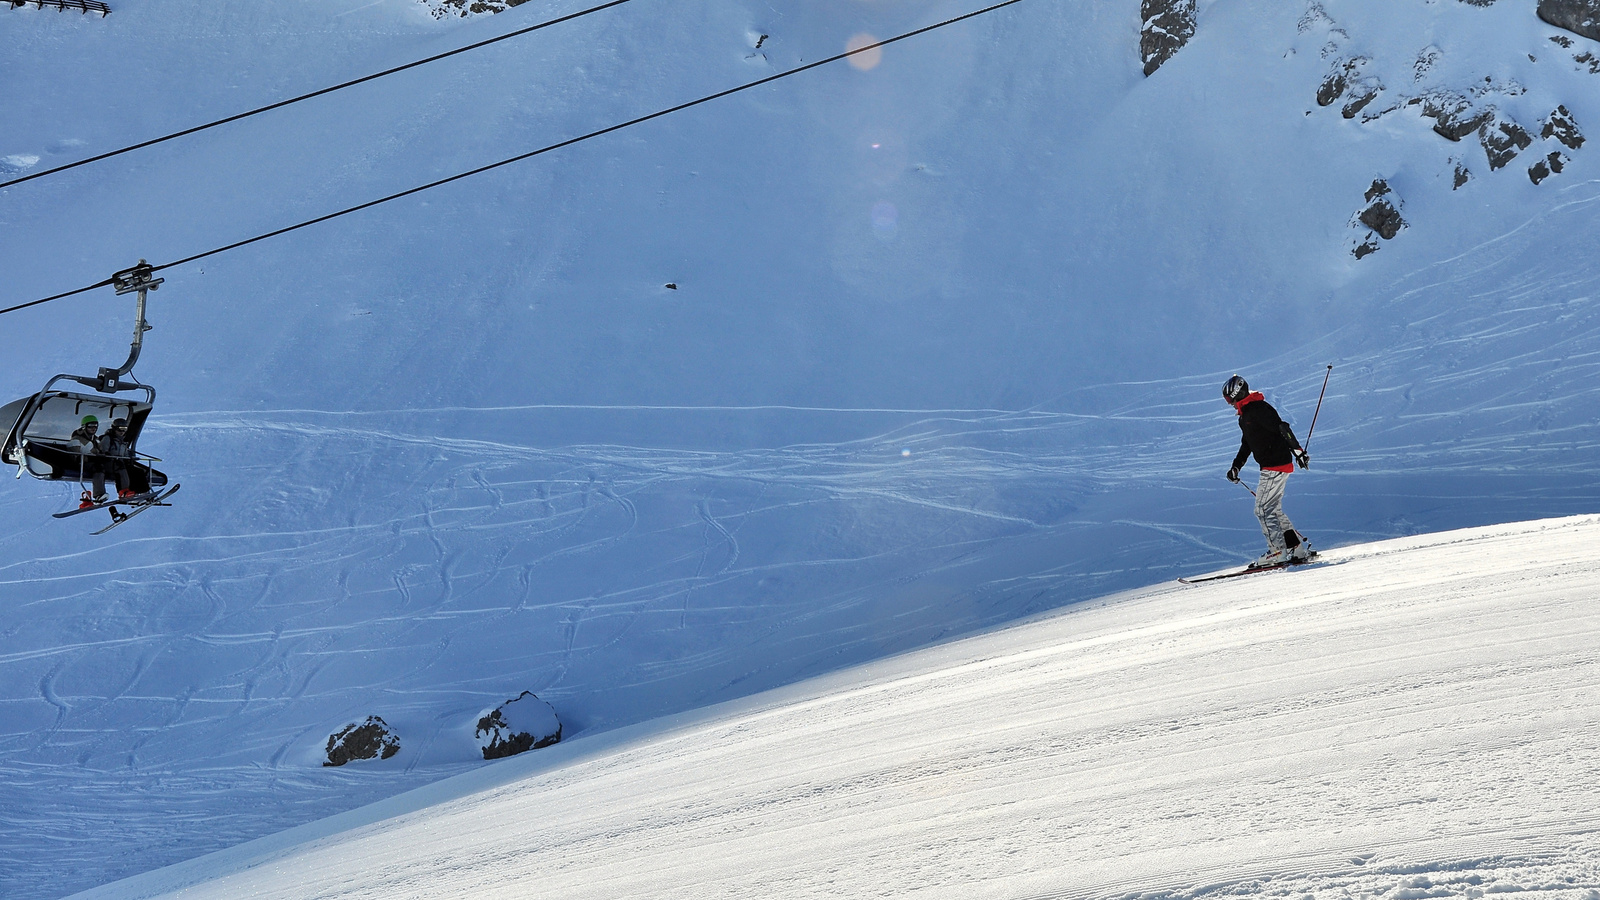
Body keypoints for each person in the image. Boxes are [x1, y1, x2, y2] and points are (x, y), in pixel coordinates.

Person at [1222, 375, 1312, 568]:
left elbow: (1282, 428)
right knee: (1273, 509)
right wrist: (1236, 466)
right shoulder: (1245, 415)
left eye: (1229, 399)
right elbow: (1247, 444)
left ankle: (1278, 552)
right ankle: (1295, 548)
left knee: (1262, 510)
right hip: (1274, 465)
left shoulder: (1258, 409)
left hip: (1275, 464)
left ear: (1237, 394)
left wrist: (1299, 452)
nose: (1229, 403)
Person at [71, 414, 135, 508]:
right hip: (82, 464)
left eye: (95, 426)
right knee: (99, 467)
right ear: (84, 427)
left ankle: (126, 491)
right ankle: (99, 495)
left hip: (96, 462)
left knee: (118, 466)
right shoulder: (76, 439)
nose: (93, 428)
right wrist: (91, 458)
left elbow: (100, 451)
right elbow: (74, 456)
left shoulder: (96, 440)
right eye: (90, 426)